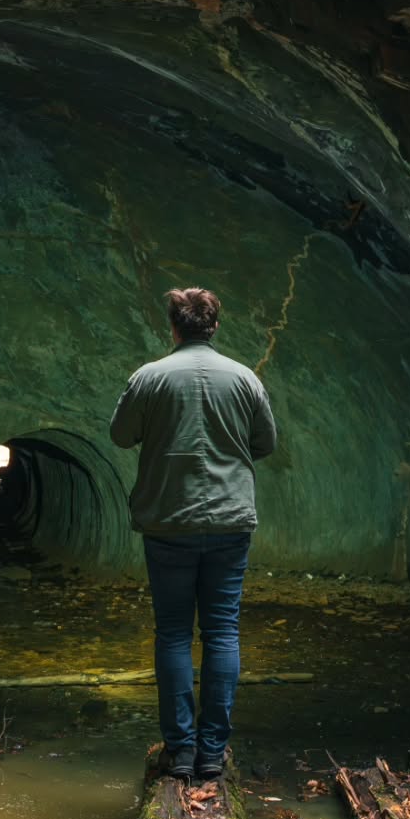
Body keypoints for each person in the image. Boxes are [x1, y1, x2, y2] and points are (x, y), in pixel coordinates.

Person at [109, 286, 278, 780]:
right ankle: (211, 753)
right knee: (222, 631)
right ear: (215, 327)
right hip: (228, 522)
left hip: (168, 523)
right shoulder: (246, 379)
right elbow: (265, 443)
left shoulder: (149, 378)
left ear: (174, 327)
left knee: (174, 634)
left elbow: (121, 436)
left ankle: (179, 752)